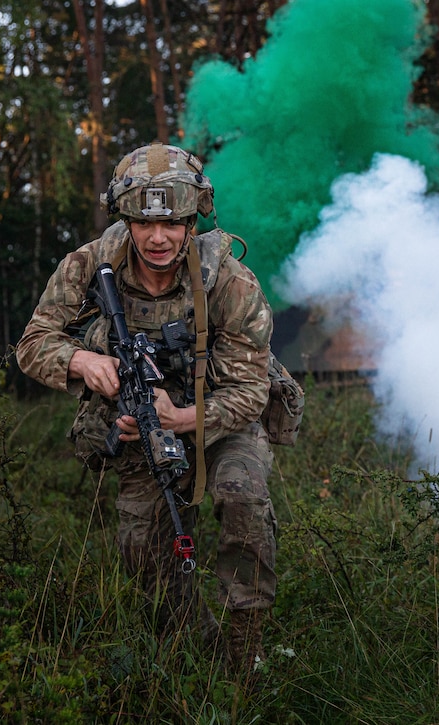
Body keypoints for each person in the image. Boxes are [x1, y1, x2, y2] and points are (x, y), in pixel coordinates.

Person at [16, 141, 277, 672]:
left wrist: (183, 419)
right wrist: (83, 361)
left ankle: (245, 659)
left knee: (242, 500)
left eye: (173, 223)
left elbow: (252, 391)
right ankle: (200, 655)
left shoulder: (229, 281)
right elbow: (32, 343)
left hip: (222, 416)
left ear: (192, 218)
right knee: (143, 552)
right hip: (139, 424)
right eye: (142, 223)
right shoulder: (91, 264)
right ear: (125, 219)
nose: (158, 238)